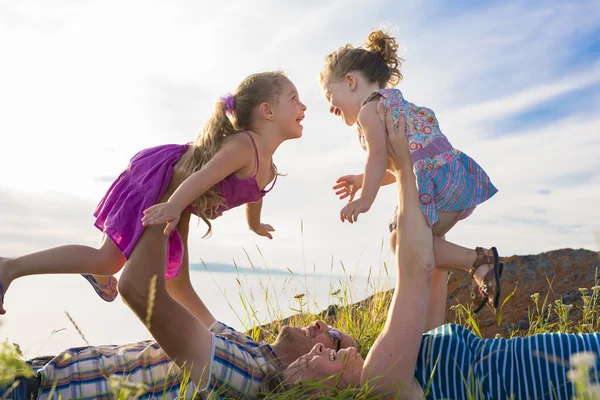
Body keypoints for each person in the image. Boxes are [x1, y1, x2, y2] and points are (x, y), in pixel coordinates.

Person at [279, 102, 600, 400]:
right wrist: (404, 167)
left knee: (401, 242)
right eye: (305, 367)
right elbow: (416, 266)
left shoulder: (407, 364)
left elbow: (431, 269)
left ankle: (477, 260)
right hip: (574, 373)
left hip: (579, 356)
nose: (314, 351)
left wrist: (431, 195)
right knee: (400, 243)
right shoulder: (381, 381)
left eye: (307, 355)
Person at [0, 71, 306, 314]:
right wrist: (173, 205)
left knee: (177, 281)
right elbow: (203, 177)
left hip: (182, 202)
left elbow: (254, 195)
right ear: (266, 111)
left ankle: (216, 334)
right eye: (294, 98)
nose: (303, 106)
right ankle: (10, 267)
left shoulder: (267, 166)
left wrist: (255, 225)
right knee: (108, 259)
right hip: (159, 183)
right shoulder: (243, 146)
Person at [322, 29, 501, 312]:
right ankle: (438, 318)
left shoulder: (370, 110)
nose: (330, 106)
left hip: (434, 187)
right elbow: (401, 164)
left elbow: (378, 156)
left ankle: (477, 261)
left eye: (330, 96)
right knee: (423, 249)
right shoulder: (397, 104)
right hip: (450, 178)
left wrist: (365, 199)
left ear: (351, 81)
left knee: (401, 244)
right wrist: (361, 179)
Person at [0, 319, 356, 399]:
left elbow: (141, 290)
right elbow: (178, 285)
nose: (321, 328)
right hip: (41, 370)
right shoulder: (250, 348)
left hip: (34, 392)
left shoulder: (243, 373)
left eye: (335, 337)